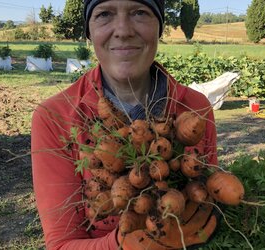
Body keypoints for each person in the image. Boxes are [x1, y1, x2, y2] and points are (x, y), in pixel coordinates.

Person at [31, 0, 219, 249]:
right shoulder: (54, 116)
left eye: (139, 12)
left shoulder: (195, 107)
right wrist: (124, 243)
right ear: (89, 31)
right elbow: (61, 244)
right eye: (104, 14)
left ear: (159, 28)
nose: (123, 30)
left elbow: (210, 199)